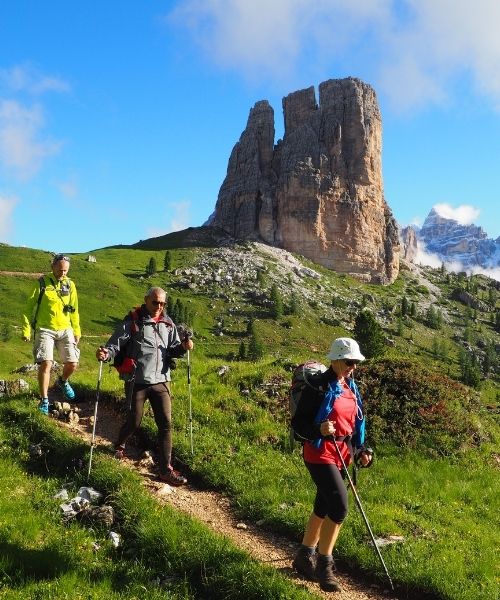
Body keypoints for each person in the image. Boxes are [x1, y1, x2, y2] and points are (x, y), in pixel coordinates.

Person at [291, 337, 374, 593]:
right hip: (319, 453)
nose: (353, 367)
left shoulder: (350, 387)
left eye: (356, 362)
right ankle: (324, 565)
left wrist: (362, 450)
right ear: (335, 359)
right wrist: (318, 429)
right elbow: (298, 426)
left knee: (324, 504)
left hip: (342, 453)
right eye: (349, 362)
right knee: (339, 506)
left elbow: (352, 427)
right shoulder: (317, 387)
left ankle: (305, 555)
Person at [96, 286, 193, 486]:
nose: (159, 307)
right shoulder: (133, 322)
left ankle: (165, 469)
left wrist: (183, 348)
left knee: (165, 424)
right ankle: (120, 444)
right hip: (136, 381)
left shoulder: (168, 323)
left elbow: (173, 349)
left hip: (161, 381)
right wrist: (106, 354)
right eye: (155, 302)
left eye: (163, 303)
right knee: (134, 421)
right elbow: (115, 345)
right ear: (146, 300)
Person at [22, 254, 81, 414]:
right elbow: (28, 308)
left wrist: (77, 330)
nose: (63, 273)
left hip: (65, 328)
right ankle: (44, 400)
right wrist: (26, 329)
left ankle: (62, 381)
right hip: (45, 329)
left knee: (72, 363)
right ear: (52, 267)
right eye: (61, 270)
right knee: (46, 363)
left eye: (66, 270)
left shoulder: (70, 284)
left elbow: (74, 309)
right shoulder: (41, 283)